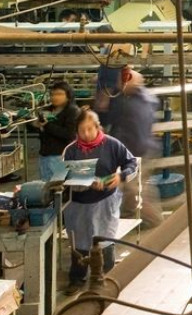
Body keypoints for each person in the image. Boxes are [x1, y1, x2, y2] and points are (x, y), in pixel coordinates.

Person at [62, 110, 138, 294]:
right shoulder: (71, 151)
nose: (86, 134)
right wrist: (86, 181)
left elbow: (132, 163)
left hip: (105, 202)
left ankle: (107, 279)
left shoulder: (112, 145)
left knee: (105, 241)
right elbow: (64, 176)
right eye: (82, 130)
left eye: (90, 129)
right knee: (79, 244)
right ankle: (77, 279)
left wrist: (121, 176)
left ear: (98, 128)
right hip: (78, 204)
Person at [106, 71, 163, 227]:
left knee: (135, 189)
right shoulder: (138, 99)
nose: (119, 84)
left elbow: (135, 134)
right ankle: (128, 216)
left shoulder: (134, 105)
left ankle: (155, 221)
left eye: (123, 81)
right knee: (132, 189)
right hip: (139, 150)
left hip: (137, 152)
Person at [31, 80, 80, 181]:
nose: (54, 97)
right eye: (52, 94)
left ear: (68, 95)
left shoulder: (72, 111)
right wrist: (34, 125)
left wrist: (47, 125)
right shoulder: (47, 110)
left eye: (59, 94)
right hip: (45, 155)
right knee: (45, 185)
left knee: (59, 186)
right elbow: (38, 128)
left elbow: (69, 134)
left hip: (60, 156)